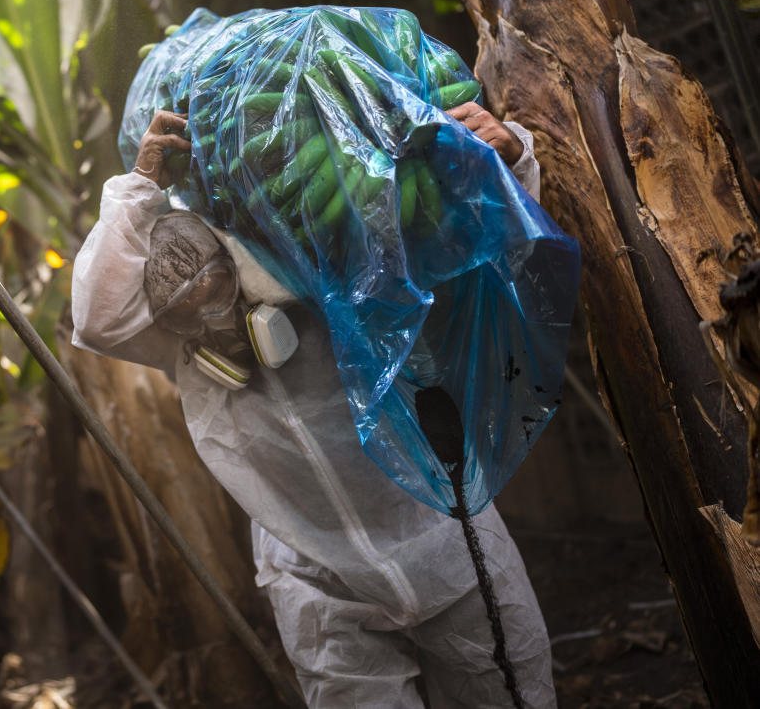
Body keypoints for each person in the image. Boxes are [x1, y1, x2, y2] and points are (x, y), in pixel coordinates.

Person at [71, 103, 556, 707]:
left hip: (447, 539)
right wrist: (140, 190)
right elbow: (99, 318)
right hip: (312, 577)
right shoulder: (183, 292)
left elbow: (490, 244)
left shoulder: (362, 240)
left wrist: (510, 157)